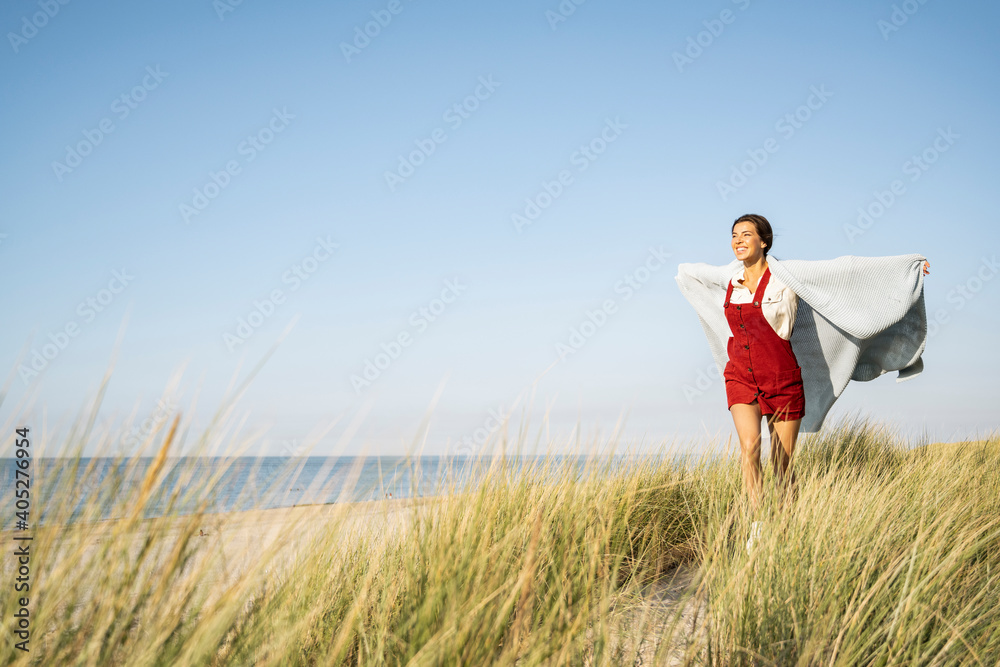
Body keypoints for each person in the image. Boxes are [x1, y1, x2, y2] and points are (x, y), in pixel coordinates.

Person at [676, 214, 930, 549]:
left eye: (746, 235)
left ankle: (786, 527)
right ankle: (758, 526)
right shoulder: (729, 275)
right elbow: (690, 271)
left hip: (782, 380)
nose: (738, 240)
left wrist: (908, 265)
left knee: (782, 462)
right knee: (750, 448)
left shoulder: (787, 275)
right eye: (734, 235)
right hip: (741, 377)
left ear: (763, 241)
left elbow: (845, 269)